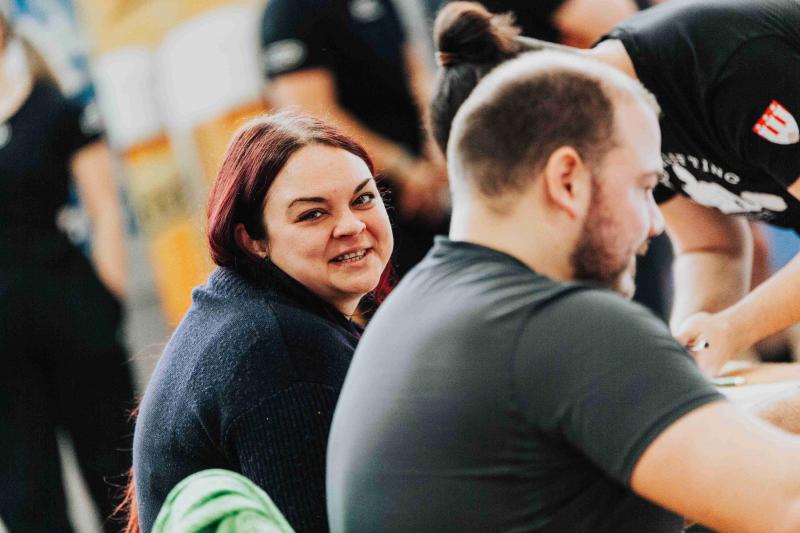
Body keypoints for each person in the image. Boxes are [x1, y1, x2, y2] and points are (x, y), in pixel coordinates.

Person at [327, 49, 800, 532]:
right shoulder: (563, 323)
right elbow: (787, 504)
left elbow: (680, 466)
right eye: (643, 188)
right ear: (567, 180)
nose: (655, 224)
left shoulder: (416, 307)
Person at [428, 0, 800, 375]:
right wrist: (684, 351)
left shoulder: (727, 66)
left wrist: (734, 329)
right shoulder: (625, 121)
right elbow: (712, 246)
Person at [132, 113, 394, 533]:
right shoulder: (283, 351)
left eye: (363, 198)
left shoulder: (243, 311)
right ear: (252, 240)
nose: (351, 225)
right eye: (313, 214)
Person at [0, 12, 135, 532]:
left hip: (73, 313)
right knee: (28, 500)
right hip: (4, 350)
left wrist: (109, 297)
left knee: (117, 479)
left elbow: (104, 207)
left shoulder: (53, 107)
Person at [260, 0, 448, 278]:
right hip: (365, 201)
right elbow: (310, 114)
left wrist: (436, 143)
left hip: (427, 187)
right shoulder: (289, 12)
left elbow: (415, 72)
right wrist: (403, 168)